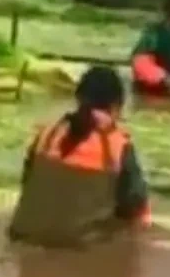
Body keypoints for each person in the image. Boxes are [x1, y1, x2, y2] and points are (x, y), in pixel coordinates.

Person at [9, 65, 151, 247]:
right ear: (116, 106)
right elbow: (134, 205)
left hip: (23, 235)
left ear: (78, 98)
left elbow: (27, 182)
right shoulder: (118, 144)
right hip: (78, 245)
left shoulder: (46, 134)